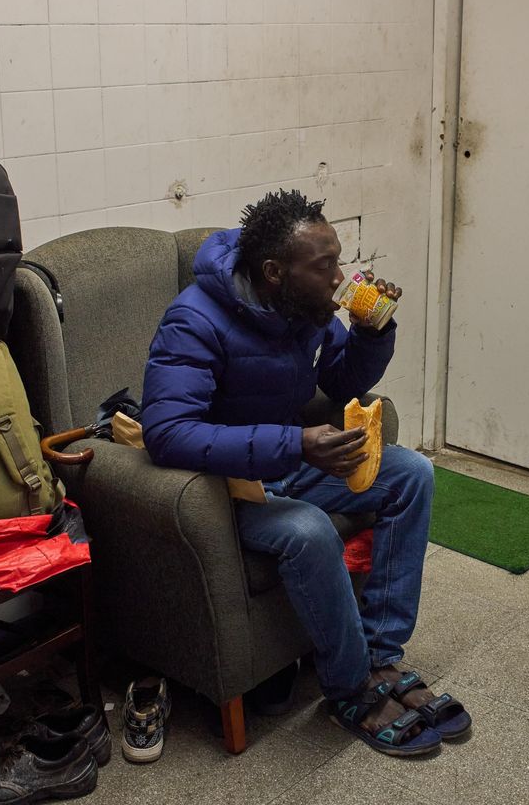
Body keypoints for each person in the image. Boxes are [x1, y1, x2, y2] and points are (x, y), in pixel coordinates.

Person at [139, 189, 471, 756]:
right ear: (275, 271)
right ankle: (349, 690)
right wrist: (294, 443)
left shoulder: (303, 310)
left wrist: (371, 332)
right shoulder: (193, 320)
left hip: (290, 462)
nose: (339, 277)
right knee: (308, 529)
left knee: (411, 473)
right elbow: (167, 432)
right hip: (227, 490)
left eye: (338, 261)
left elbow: (340, 382)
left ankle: (380, 657)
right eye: (325, 266)